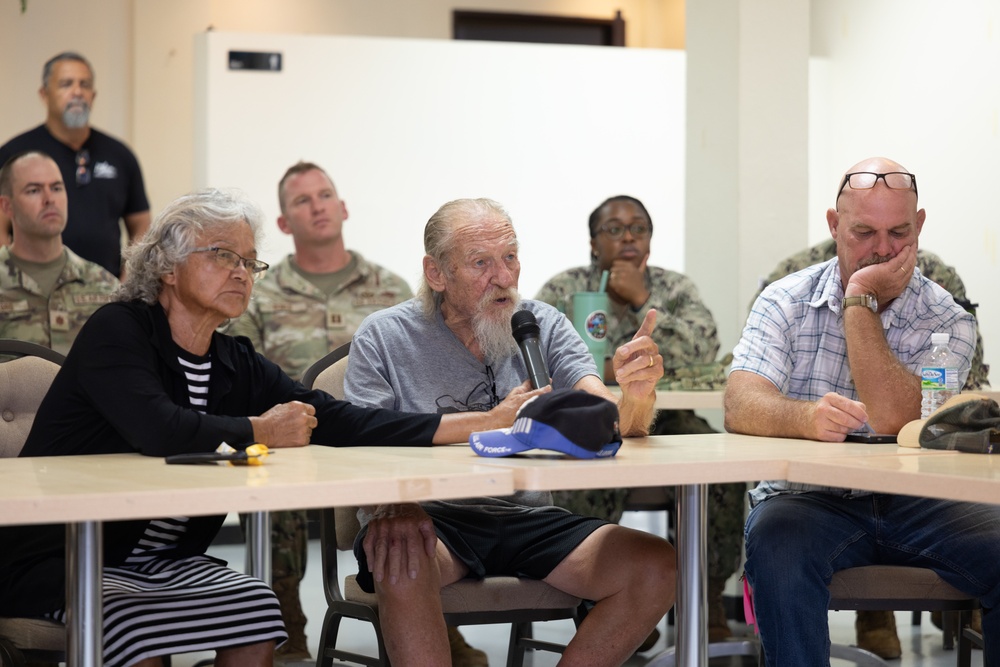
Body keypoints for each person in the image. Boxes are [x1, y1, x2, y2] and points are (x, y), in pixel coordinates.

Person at [0, 188, 529, 667]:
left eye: (250, 262)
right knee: (139, 629)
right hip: (62, 557)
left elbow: (339, 419)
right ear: (166, 265)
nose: (241, 273)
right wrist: (261, 430)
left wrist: (481, 422)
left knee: (257, 610)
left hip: (163, 558)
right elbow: (159, 430)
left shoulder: (233, 359)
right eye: (223, 256)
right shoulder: (117, 330)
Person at [344, 197, 677, 666]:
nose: (503, 277)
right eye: (481, 263)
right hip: (432, 518)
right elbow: (361, 443)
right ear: (436, 273)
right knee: (400, 547)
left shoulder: (541, 325)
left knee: (655, 563)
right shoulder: (385, 336)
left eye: (510, 257)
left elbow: (605, 420)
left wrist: (635, 398)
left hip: (526, 516)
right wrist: (393, 506)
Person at [725, 157, 1000, 667]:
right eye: (863, 232)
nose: (881, 248)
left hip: (921, 500)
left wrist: (859, 301)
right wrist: (803, 419)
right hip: (806, 501)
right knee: (776, 547)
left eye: (898, 232)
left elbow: (897, 419)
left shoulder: (949, 319)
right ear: (834, 226)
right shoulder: (784, 300)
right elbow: (740, 402)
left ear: (919, 226)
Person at [535, 194, 744, 642]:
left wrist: (642, 298)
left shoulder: (673, 288)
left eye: (639, 229)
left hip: (668, 421)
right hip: (592, 420)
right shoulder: (564, 289)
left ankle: (705, 598)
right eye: (614, 229)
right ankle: (606, 603)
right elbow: (537, 358)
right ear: (594, 243)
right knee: (582, 465)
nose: (628, 237)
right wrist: (613, 371)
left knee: (721, 467)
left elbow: (701, 349)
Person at [230, 161, 412, 664]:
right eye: (303, 201)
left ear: (343, 206)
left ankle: (438, 620)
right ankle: (286, 629)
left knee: (424, 488)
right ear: (285, 224)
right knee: (266, 489)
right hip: (292, 445)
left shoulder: (391, 289)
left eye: (325, 195)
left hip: (376, 441)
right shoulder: (259, 294)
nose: (318, 207)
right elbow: (242, 380)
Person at [0, 52, 150, 277]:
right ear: (44, 94)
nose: (77, 92)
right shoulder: (15, 154)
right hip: (32, 291)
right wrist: (9, 280)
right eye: (66, 84)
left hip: (105, 291)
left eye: (85, 84)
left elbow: (141, 226)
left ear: (94, 95)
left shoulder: (120, 155)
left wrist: (128, 281)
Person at [0, 151, 118, 356]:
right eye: (34, 190)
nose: (49, 199)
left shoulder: (104, 286)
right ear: (6, 206)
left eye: (56, 188)